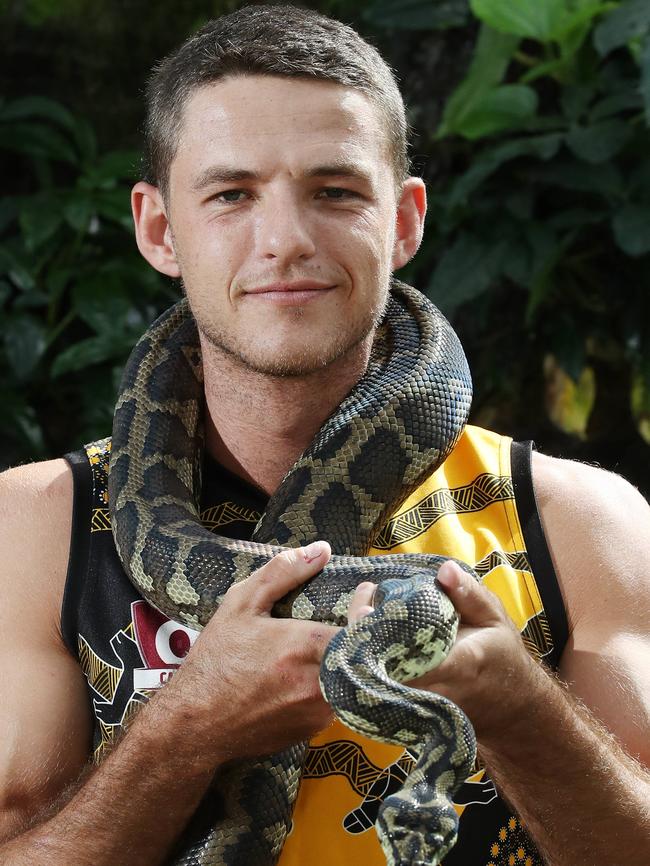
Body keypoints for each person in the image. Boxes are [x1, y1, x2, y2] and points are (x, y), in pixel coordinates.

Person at [0, 5, 649, 865]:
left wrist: (523, 712)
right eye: (232, 195)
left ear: (406, 221)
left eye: (335, 192)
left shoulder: (575, 519)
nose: (286, 242)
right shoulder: (35, 526)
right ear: (159, 228)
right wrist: (188, 726)